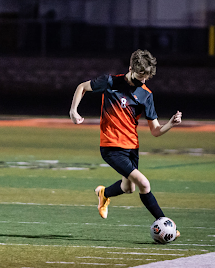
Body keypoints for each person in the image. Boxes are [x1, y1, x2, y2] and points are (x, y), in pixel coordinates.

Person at [69, 49, 182, 238]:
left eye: (146, 77)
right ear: (130, 68)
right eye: (140, 76)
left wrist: (171, 123)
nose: (143, 81)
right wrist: (73, 110)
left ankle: (103, 194)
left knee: (128, 188)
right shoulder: (110, 82)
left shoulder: (146, 95)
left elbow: (155, 131)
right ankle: (169, 226)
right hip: (111, 147)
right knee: (144, 184)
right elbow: (82, 87)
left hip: (132, 147)